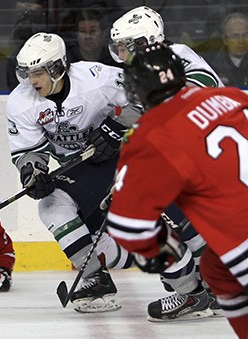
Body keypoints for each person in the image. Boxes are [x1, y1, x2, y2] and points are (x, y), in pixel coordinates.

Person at [106, 42, 248, 338]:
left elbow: (128, 226)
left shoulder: (151, 133)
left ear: (136, 90)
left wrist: (161, 253)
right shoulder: (230, 96)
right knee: (215, 267)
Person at [6, 32, 142, 313]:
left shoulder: (97, 78)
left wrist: (117, 129)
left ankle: (199, 278)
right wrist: (33, 173)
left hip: (128, 156)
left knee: (170, 214)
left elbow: (146, 98)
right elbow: (27, 151)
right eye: (28, 73)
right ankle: (102, 277)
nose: (32, 81)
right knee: (69, 217)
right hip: (85, 167)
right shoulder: (21, 102)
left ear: (57, 67)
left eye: (39, 72)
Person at [208, 12, 248, 88]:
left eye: (245, 35)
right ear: (224, 39)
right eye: (235, 36)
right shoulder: (210, 65)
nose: (241, 41)